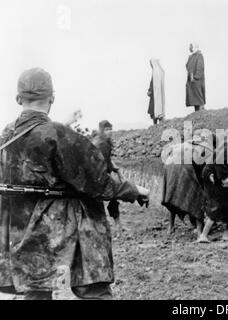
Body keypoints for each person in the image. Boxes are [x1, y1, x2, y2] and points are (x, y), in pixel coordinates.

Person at [0, 68, 149, 300]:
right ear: (52, 98)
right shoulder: (59, 134)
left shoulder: (5, 137)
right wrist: (133, 190)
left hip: (21, 230)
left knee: (36, 292)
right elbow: (98, 182)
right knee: (94, 291)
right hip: (64, 226)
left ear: (19, 99)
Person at [186, 43, 206, 112]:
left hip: (197, 81)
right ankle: (196, 115)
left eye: (191, 46)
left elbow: (200, 68)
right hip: (191, 81)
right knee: (194, 100)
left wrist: (195, 77)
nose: (189, 48)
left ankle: (202, 114)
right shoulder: (191, 57)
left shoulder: (199, 56)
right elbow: (187, 66)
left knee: (199, 99)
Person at [147, 58, 165, 125]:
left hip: (155, 95)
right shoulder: (160, 72)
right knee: (156, 109)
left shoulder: (155, 72)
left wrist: (150, 91)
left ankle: (155, 124)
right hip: (156, 94)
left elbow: (153, 84)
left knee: (154, 110)